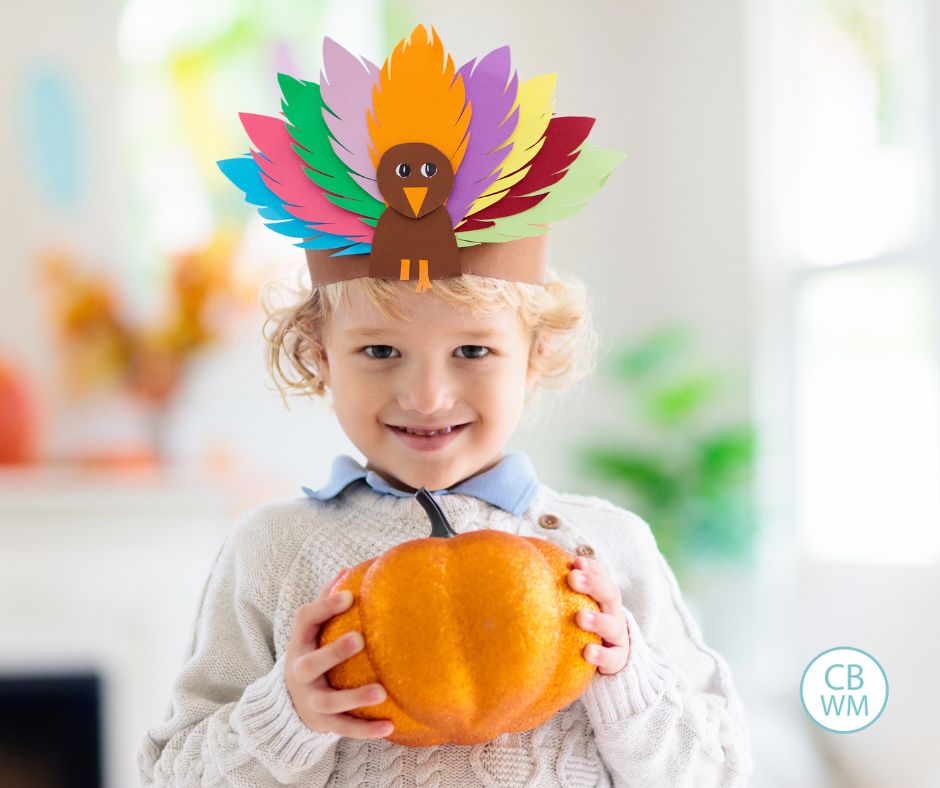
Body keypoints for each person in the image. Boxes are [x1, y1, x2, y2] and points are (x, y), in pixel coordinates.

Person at [137, 24, 754, 787]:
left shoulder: (609, 551)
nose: (427, 395)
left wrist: (627, 677)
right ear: (319, 357)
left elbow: (720, 770)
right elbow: (173, 775)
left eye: (472, 352)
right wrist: (287, 714)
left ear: (536, 358)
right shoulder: (273, 552)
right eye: (379, 352)